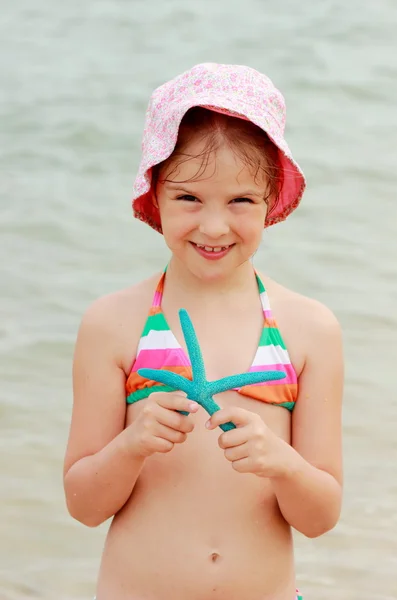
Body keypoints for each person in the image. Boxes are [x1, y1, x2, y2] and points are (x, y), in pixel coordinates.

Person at [63, 63, 344, 600]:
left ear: (271, 202)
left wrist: (281, 464)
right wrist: (130, 447)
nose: (214, 226)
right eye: (189, 198)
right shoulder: (112, 324)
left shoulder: (310, 330)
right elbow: (83, 506)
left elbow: (320, 517)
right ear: (154, 196)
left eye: (241, 201)